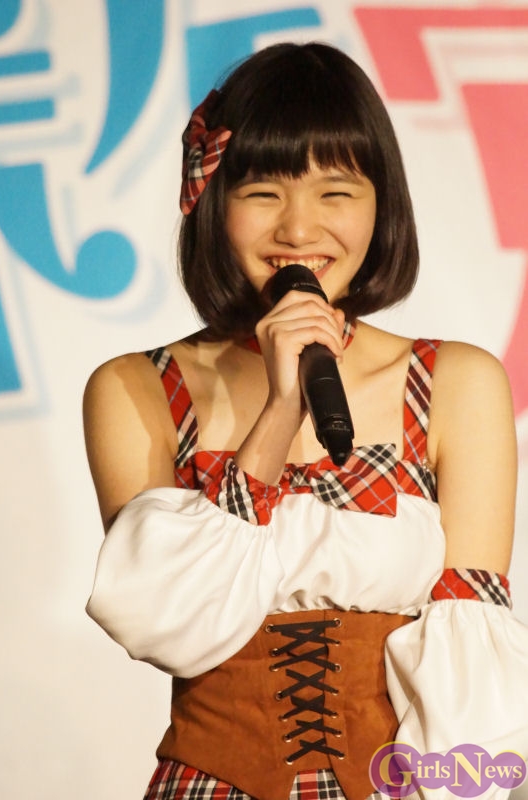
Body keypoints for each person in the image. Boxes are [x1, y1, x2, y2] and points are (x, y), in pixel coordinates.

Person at [84, 42, 528, 800]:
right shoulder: (137, 388)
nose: (298, 229)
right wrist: (279, 408)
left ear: (381, 204)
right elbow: (165, 621)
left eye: (335, 192)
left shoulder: (454, 383)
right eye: (263, 192)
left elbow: (472, 668)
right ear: (214, 203)